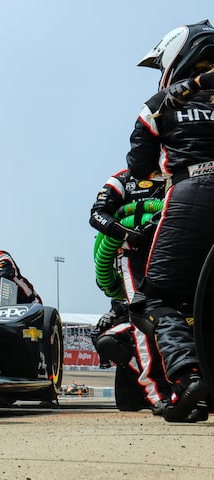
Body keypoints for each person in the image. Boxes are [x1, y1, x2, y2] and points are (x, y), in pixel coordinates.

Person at [126, 20, 214, 423]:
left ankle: (187, 376)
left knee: (158, 297)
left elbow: (138, 164)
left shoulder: (161, 101)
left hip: (193, 194)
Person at [88, 168, 171, 413]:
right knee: (141, 316)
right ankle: (158, 393)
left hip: (175, 251)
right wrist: (128, 234)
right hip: (134, 256)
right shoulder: (122, 179)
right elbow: (97, 215)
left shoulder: (177, 172)